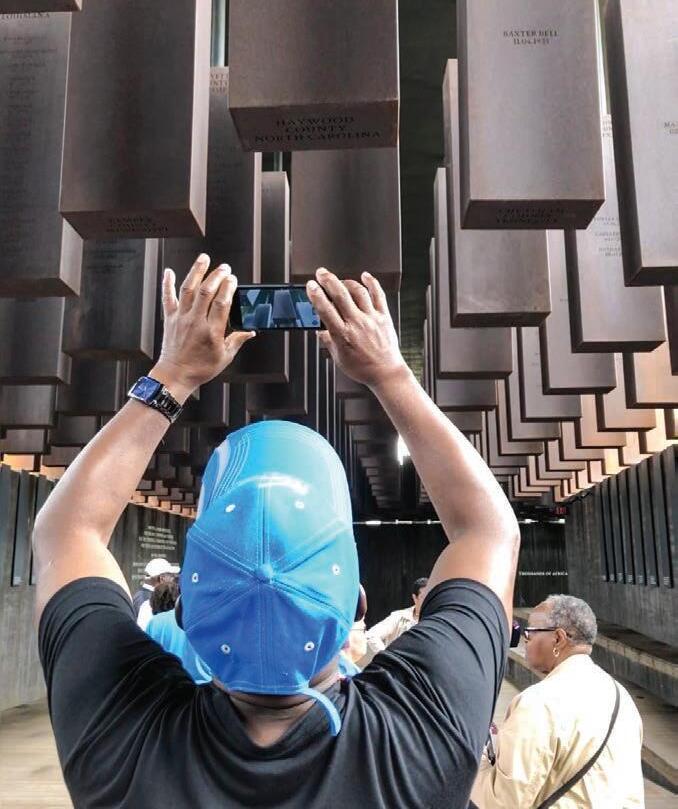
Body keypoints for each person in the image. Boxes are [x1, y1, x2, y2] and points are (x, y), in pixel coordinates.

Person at [33, 255, 520, 808]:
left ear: (185, 611)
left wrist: (174, 374)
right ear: (357, 606)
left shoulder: (120, 741)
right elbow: (489, 531)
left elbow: (65, 531)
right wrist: (389, 372)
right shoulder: (420, 741)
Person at [471, 595, 644, 808]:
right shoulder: (622, 697)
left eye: (530, 632)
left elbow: (501, 802)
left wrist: (479, 755)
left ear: (559, 639)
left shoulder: (537, 703)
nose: (525, 639)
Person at [145, 581, 211, 685]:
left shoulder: (155, 622)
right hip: (205, 687)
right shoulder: (206, 620)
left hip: (168, 686)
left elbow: (148, 661)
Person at [365, 577, 429, 661]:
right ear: (414, 597)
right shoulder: (399, 616)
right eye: (423, 597)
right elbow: (371, 635)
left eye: (430, 596)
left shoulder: (437, 619)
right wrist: (388, 657)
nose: (428, 600)